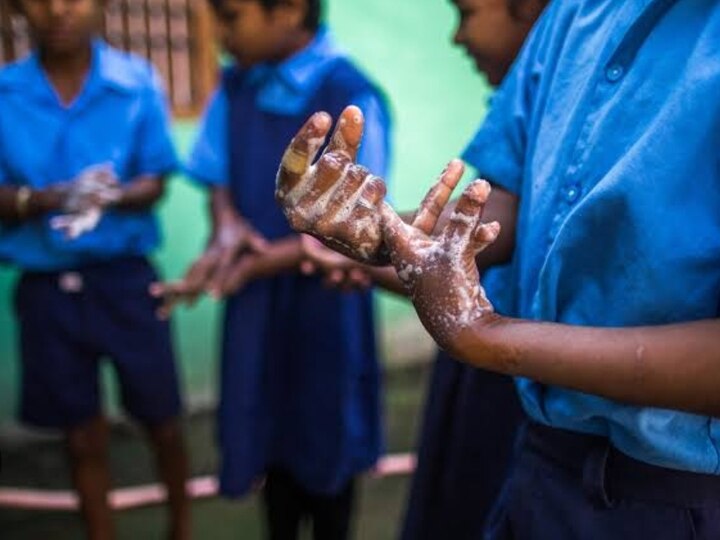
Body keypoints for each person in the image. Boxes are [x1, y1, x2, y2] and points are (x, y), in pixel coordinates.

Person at [275, 0, 720, 537]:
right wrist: (384, 231)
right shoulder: (575, 14)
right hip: (542, 457)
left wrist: (488, 336)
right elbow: (512, 202)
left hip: (678, 490)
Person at [299, 1, 545, 537]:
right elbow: (472, 241)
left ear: (528, 11)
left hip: (525, 376)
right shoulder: (532, 97)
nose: (456, 38)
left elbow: (495, 234)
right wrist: (366, 246)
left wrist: (374, 243)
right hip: (481, 366)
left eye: (467, 13)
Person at [152, 0, 391, 538]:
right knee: (267, 433)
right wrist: (226, 224)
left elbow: (363, 225)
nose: (218, 32)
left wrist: (266, 261)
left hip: (327, 302)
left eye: (231, 16)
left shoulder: (351, 95)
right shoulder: (236, 87)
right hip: (258, 304)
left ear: (287, 11)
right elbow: (216, 172)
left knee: (325, 440)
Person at [0, 1, 189, 539]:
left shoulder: (135, 82)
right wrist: (45, 200)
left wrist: (108, 196)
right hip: (46, 291)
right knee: (81, 436)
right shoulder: (5, 93)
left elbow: (155, 181)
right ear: (17, 9)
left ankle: (181, 527)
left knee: (164, 422)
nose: (58, 10)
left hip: (126, 280)